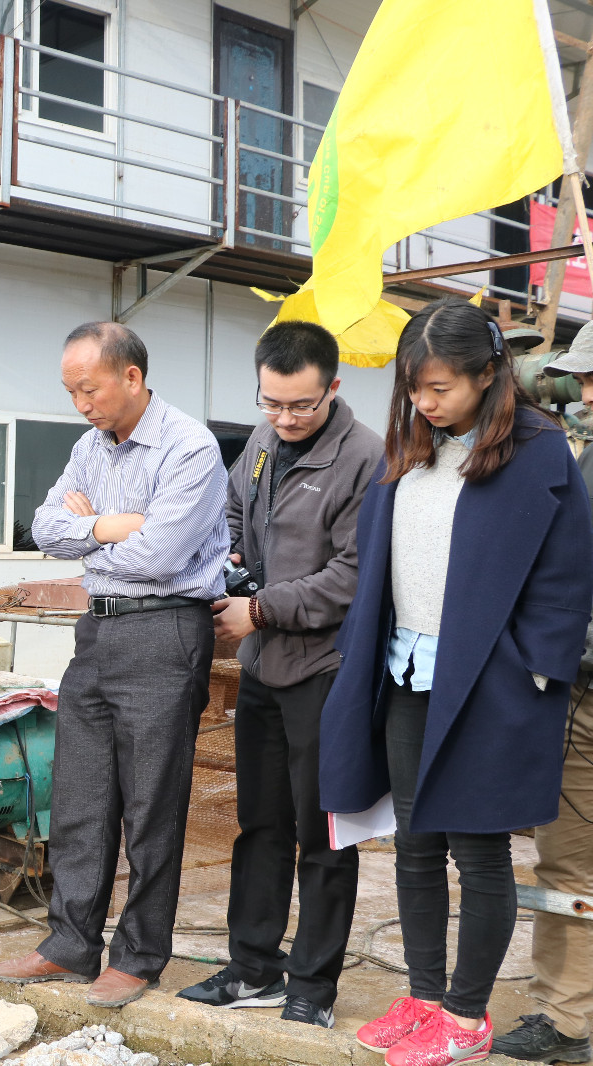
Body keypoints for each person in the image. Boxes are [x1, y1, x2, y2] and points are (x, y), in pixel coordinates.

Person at [321, 299, 593, 1066]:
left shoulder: (539, 450)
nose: (423, 401)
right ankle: (424, 996)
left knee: (479, 856)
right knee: (414, 843)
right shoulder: (418, 441)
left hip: (486, 681)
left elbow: (567, 578)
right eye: (414, 386)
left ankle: (466, 1016)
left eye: (440, 387)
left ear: (488, 373)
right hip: (407, 668)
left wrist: (531, 673)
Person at [0, 320, 226, 1009]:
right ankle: (70, 942)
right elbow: (43, 528)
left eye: (88, 389)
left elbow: (159, 558)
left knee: (152, 804)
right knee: (81, 795)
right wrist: (113, 526)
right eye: (71, 392)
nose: (81, 405)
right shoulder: (88, 447)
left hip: (164, 633)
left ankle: (140, 954)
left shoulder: (190, 446)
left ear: (130, 376)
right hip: (95, 634)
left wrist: (91, 533)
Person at [174, 321, 381, 1029]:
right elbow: (234, 511)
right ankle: (252, 966)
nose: (284, 419)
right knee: (259, 823)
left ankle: (313, 986)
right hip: (264, 667)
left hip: (327, 671)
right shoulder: (262, 444)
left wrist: (259, 609)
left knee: (325, 834)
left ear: (333, 389)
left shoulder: (365, 460)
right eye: (271, 403)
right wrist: (230, 569)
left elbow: (351, 576)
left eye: (301, 406)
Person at [490, 328, 593, 1065]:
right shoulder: (576, 458)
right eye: (579, 381)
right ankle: (567, 1017)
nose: (584, 395)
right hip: (581, 697)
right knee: (569, 865)